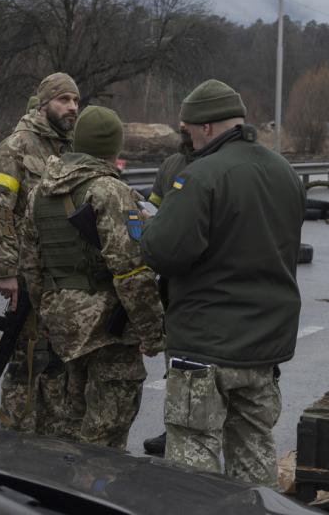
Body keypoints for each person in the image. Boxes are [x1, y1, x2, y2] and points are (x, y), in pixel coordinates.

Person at [139, 79, 305, 486]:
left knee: (193, 459)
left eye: (189, 130)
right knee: (254, 452)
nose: (189, 140)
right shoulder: (284, 172)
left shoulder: (202, 176)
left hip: (205, 345)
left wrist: (149, 226)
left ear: (207, 128)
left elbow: (164, 252)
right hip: (264, 345)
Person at [20, 105, 165, 449]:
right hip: (106, 330)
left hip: (62, 326)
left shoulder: (40, 191)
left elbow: (30, 265)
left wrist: (49, 315)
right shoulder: (109, 192)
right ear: (113, 148)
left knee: (72, 424)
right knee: (107, 432)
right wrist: (152, 332)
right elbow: (130, 270)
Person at [0, 74, 78, 435]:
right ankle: (16, 431)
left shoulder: (69, 147)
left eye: (75, 100)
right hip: (26, 271)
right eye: (63, 100)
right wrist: (7, 270)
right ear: (44, 104)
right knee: (28, 354)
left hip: (58, 271)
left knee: (52, 348)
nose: (72, 107)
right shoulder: (17, 147)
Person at [141, 124, 195, 456]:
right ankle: (173, 428)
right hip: (172, 281)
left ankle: (208, 429)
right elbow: (154, 211)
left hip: (205, 279)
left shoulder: (220, 163)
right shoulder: (171, 165)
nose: (186, 127)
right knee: (174, 358)